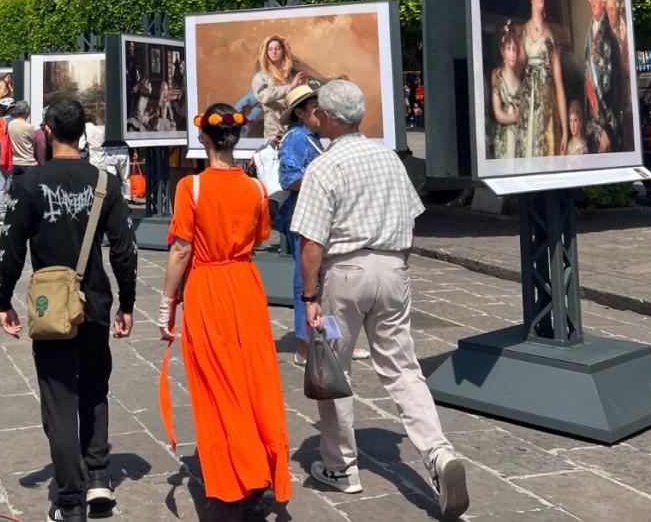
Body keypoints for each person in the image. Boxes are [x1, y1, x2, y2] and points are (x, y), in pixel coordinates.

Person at [290, 80, 469, 520]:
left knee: (334, 369)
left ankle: (340, 467)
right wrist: (396, 262)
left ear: (328, 118)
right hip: (392, 269)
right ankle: (438, 453)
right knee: (404, 369)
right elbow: (410, 218)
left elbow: (312, 240)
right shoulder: (389, 158)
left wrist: (308, 295)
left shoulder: (325, 166)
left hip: (344, 276)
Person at [0, 97, 137, 522]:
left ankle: (70, 499)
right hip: (93, 299)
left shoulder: (29, 183)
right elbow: (124, 252)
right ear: (83, 132)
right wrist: (127, 303)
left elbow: (10, 248)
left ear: (49, 132)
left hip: (51, 304)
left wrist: (3, 301)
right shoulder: (105, 183)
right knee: (95, 389)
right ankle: (97, 477)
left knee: (58, 399)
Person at [158, 105, 292, 520]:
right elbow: (260, 236)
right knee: (254, 380)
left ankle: (232, 482)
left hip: (208, 286)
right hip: (245, 285)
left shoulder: (191, 188)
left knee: (216, 385)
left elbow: (181, 249)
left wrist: (167, 303)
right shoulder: (254, 188)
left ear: (204, 139)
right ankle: (261, 470)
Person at [276, 84, 323, 368]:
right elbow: (288, 177)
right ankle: (304, 345)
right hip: (303, 216)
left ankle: (331, 339)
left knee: (328, 281)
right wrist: (325, 180)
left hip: (321, 216)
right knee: (304, 281)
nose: (321, 111)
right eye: (315, 107)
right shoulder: (296, 139)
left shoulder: (320, 136)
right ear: (301, 112)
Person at [520, 0, 567, 157]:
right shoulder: (523, 31)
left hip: (547, 105)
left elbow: (559, 84)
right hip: (528, 104)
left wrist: (565, 130)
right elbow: (518, 70)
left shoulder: (551, 37)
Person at [583, 0, 625, 154]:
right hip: (592, 120)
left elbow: (618, 84)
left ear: (602, 0)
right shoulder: (588, 33)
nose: (594, 2)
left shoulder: (611, 38)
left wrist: (608, 130)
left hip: (608, 121)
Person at [251, 35, 312, 139]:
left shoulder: (292, 75)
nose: (274, 52)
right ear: (266, 53)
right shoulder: (260, 77)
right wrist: (290, 87)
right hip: (273, 128)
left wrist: (303, 85)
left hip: (294, 126)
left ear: (283, 51)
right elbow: (263, 95)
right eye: (270, 49)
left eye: (277, 48)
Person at [490, 22, 522, 159]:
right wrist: (513, 117)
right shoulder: (497, 76)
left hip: (518, 137)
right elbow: (497, 113)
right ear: (503, 52)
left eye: (515, 49)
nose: (512, 54)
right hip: (503, 137)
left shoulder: (520, 83)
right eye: (509, 49)